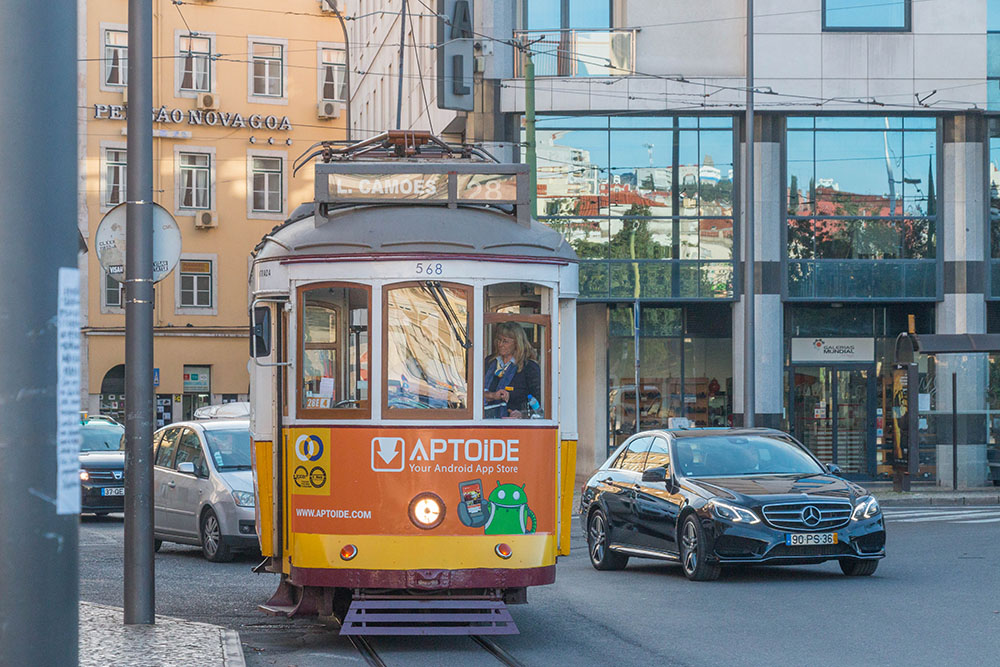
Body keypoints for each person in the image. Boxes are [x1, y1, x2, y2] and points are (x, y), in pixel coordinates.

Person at [484, 322, 540, 419]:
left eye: (505, 341)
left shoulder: (529, 367)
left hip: (516, 426)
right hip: (486, 421)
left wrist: (522, 414)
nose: (500, 344)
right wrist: (493, 395)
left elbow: (539, 402)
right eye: (499, 340)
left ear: (517, 343)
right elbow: (474, 393)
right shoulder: (489, 362)